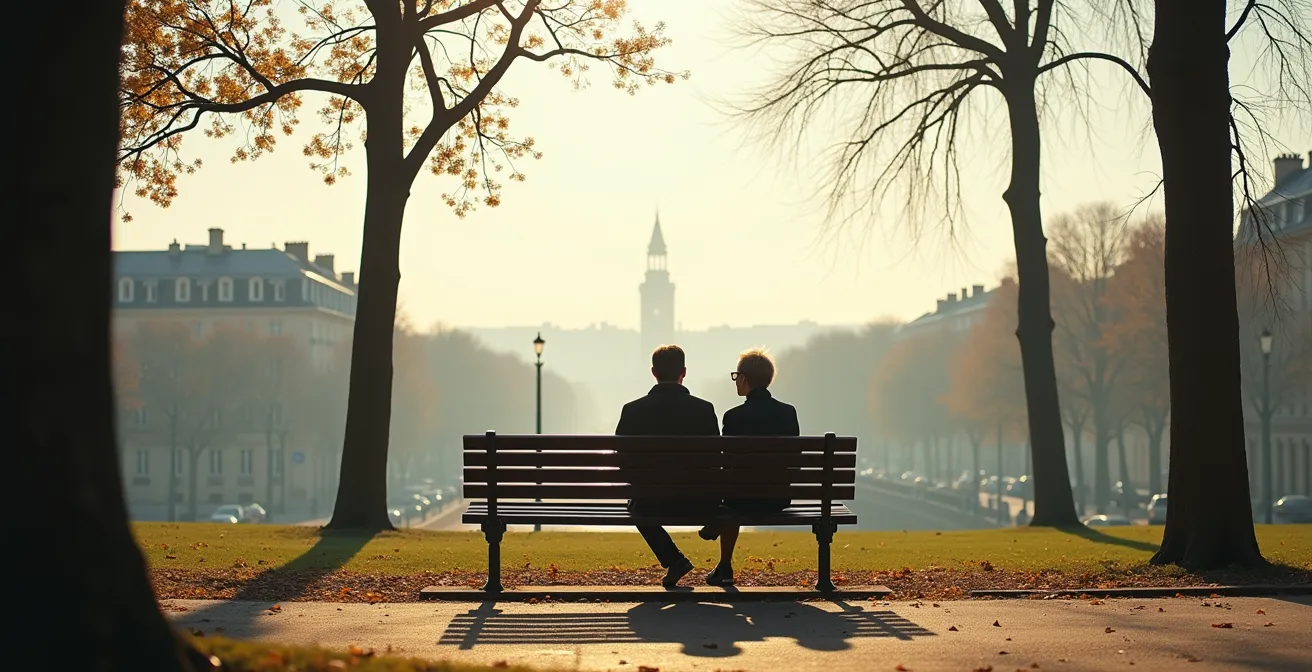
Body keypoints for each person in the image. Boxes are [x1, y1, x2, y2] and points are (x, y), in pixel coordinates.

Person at [616, 344, 719, 587]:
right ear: (684, 371)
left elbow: (622, 460)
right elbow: (716, 458)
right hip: (698, 501)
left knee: (635, 506)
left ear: (654, 372)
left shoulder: (632, 410)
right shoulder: (704, 410)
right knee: (638, 503)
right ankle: (716, 525)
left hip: (651, 501)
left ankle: (674, 560)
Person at [699, 348, 799, 586]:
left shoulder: (733, 417)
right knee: (733, 495)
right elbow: (793, 459)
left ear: (743, 378)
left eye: (736, 376)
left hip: (740, 500)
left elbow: (726, 462)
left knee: (730, 502)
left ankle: (725, 566)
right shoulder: (788, 413)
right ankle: (719, 538)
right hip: (778, 498)